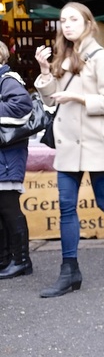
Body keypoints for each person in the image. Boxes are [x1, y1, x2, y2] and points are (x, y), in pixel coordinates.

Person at [34, 2, 104, 298]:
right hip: (68, 145)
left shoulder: (103, 58)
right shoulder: (65, 57)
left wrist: (78, 97)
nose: (66, 25)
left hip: (96, 143)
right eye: (63, 20)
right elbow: (51, 99)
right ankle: (69, 271)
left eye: (73, 19)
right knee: (66, 206)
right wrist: (45, 72)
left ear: (87, 22)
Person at [0, 40, 34, 280]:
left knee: (9, 208)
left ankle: (21, 260)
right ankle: (6, 258)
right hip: (5, 155)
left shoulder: (8, 78)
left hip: (8, 156)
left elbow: (22, 106)